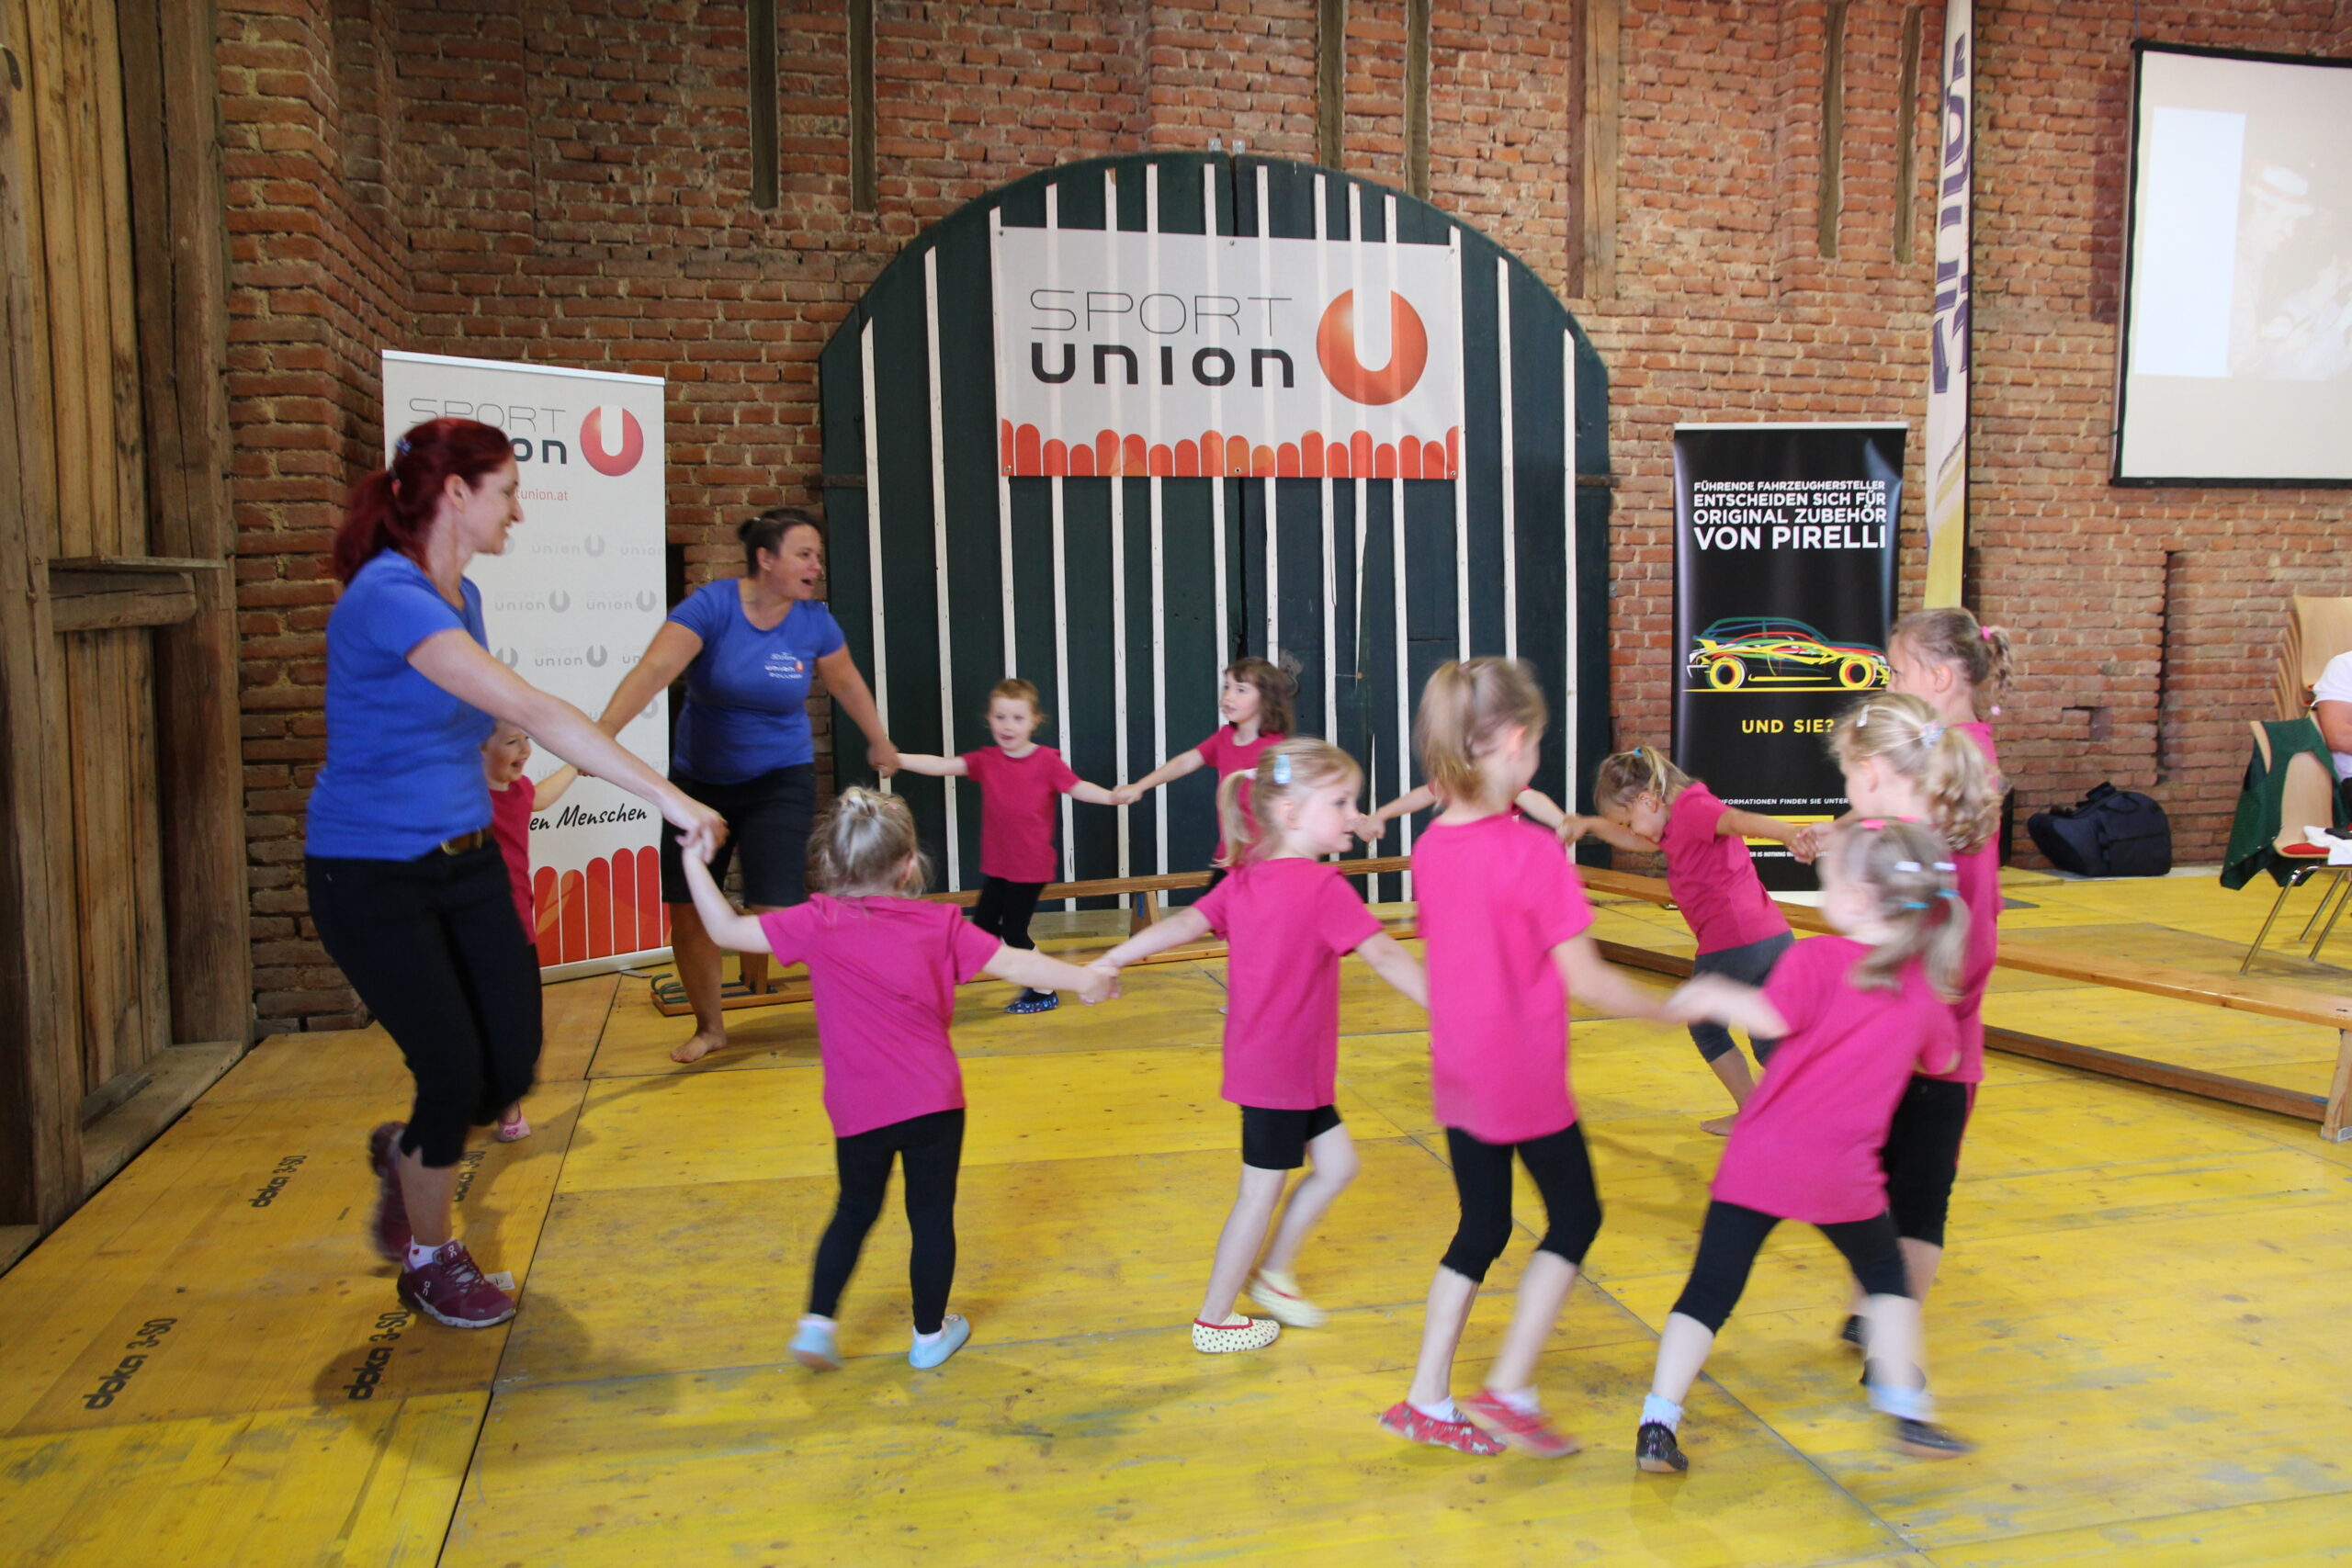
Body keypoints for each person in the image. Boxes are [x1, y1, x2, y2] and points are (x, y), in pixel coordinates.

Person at [308, 416, 724, 1330]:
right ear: (456, 493)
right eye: (507, 492)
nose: (518, 512)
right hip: (372, 875)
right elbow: (530, 707)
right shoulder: (389, 594)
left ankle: (408, 1154)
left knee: (507, 1067)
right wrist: (670, 797)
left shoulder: (463, 597)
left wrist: (502, 753)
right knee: (451, 1069)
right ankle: (430, 1259)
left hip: (465, 865)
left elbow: (486, 719)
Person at [677, 788, 1114, 1371]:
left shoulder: (816, 923)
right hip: (933, 1103)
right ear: (909, 867)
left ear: (829, 862)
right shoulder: (940, 924)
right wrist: (1085, 978)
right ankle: (929, 1336)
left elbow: (726, 930)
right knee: (930, 1218)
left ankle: (817, 1324)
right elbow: (1015, 961)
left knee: (854, 1209)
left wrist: (693, 860)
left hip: (859, 1108)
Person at [1380, 659, 1674, 1459]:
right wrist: (1671, 1007)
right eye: (1538, 742)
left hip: (1460, 1070)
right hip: (1523, 1074)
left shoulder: (1431, 845)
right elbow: (1589, 979)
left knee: (1482, 1224)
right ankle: (1509, 1385)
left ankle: (1426, 1395)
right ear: (1513, 741)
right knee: (1577, 1216)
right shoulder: (1534, 853)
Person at [1634, 818, 1973, 1475]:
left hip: (1757, 1162)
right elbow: (1944, 1057)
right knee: (1886, 1280)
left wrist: (1710, 992)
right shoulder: (1924, 992)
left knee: (1708, 1292)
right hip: (1841, 1175)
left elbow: (1768, 1017)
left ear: (1856, 900)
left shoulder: (1813, 958)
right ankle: (1908, 1411)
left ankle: (1658, 1421)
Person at [1086, 739, 1428, 1353]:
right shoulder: (1321, 885)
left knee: (1339, 1166)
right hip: (1280, 1074)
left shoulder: (1246, 878)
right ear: (1290, 813)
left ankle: (1272, 1273)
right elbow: (1383, 953)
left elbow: (1183, 923)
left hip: (1285, 1069)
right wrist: (1450, 1009)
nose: (1354, 814)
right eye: (1341, 802)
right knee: (1258, 1194)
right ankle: (1215, 1318)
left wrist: (1115, 956)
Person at [594, 507, 899, 1065]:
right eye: (804, 555)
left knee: (775, 910)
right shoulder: (711, 607)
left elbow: (846, 683)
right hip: (698, 782)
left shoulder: (814, 622)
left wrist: (879, 740)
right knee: (688, 908)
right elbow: (654, 671)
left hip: (779, 779)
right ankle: (710, 1028)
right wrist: (602, 735)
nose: (816, 566)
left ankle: (859, 998)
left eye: (817, 556)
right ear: (766, 558)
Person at [1816, 689, 2002, 1348]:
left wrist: (1917, 1022)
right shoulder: (1890, 840)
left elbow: (1973, 953)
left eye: (1846, 777)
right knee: (1879, 1185)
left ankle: (1890, 1334)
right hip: (1889, 1051)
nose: (1846, 791)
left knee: (1919, 1200)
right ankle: (1872, 1309)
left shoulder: (1948, 848)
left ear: (1870, 773)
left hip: (1936, 1055)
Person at [1560, 746, 1806, 1134]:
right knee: (1767, 1033)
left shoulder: (1693, 809)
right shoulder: (1674, 821)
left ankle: (1753, 1112)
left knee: (1706, 1027)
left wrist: (1790, 833)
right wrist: (1591, 824)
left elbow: (1738, 820)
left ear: (1647, 800)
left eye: (1629, 821)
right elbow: (1638, 841)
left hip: (1732, 941)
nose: (1631, 831)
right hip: (1770, 936)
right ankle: (1810, 1110)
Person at [889, 678, 1120, 1014]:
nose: (1008, 726)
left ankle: (1044, 988)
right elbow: (942, 765)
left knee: (1013, 931)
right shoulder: (987, 760)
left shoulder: (1046, 762)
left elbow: (1077, 787)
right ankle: (1022, 973)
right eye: (1000, 717)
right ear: (989, 719)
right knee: (984, 928)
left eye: (1017, 718)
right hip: (999, 866)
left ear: (1034, 721)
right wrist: (896, 758)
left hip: (1030, 867)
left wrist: (1111, 797)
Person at [480, 723, 578, 1142]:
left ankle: (506, 1095)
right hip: (471, 928)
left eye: (527, 739)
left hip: (517, 928)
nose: (526, 749)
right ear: (477, 747)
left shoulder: (517, 791)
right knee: (476, 1019)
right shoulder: (461, 801)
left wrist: (576, 765)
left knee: (523, 1027)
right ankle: (483, 1098)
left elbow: (538, 797)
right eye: (512, 742)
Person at [1115, 656, 1296, 882]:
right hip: (1229, 860)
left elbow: (1291, 799)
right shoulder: (1224, 738)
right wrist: (1139, 786)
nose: (1228, 696)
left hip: (1266, 865)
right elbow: (1186, 761)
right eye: (1227, 687)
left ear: (1266, 699)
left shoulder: (1276, 750)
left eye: (1241, 690)